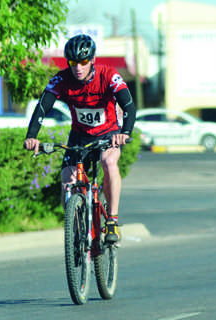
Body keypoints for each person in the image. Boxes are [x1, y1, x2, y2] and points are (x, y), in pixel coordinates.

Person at [24, 34, 136, 243]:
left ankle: (111, 220)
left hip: (108, 134)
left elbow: (128, 105)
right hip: (79, 136)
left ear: (92, 60)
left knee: (108, 162)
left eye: (83, 62)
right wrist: (32, 137)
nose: (78, 67)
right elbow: (42, 107)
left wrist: (125, 133)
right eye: (73, 62)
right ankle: (75, 228)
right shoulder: (61, 79)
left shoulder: (108, 75)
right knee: (67, 180)